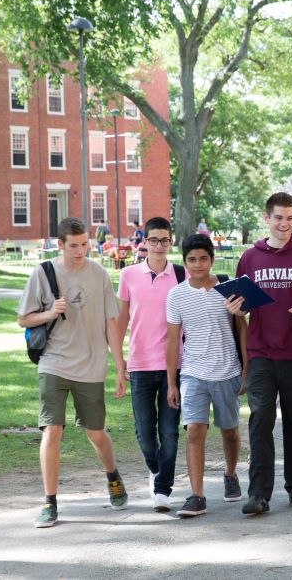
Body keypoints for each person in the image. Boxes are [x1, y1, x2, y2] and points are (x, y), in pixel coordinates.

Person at [17, 217, 127, 528]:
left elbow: (111, 322)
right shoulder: (44, 272)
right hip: (54, 361)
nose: (81, 251)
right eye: (74, 246)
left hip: (91, 363)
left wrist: (120, 365)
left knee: (95, 432)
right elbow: (23, 319)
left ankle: (112, 474)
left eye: (85, 245)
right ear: (60, 245)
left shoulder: (99, 274)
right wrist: (50, 312)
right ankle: (49, 502)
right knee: (52, 429)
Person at [229, 191, 292, 515]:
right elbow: (241, 305)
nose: (284, 224)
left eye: (289, 218)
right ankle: (258, 494)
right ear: (267, 218)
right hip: (261, 352)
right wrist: (235, 308)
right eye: (278, 218)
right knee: (260, 420)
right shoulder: (250, 258)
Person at [165, 234, 248, 517]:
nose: (197, 264)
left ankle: (230, 473)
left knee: (230, 430)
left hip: (227, 371)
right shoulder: (176, 294)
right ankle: (197, 495)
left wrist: (246, 369)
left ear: (212, 260)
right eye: (191, 259)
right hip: (192, 373)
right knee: (194, 431)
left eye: (203, 259)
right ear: (184, 262)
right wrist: (171, 382)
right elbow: (173, 340)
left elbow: (242, 330)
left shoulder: (229, 288)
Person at [115, 216, 183, 512]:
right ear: (144, 241)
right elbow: (120, 322)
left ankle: (163, 489)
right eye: (153, 240)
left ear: (171, 242)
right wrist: (119, 364)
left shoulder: (181, 275)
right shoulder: (128, 275)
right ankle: (155, 468)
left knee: (169, 431)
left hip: (174, 365)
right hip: (140, 365)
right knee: (144, 433)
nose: (158, 246)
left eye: (164, 240)